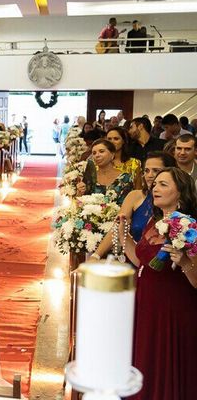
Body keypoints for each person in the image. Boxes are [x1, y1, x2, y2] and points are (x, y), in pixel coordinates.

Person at [120, 167, 197, 400]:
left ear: (181, 194)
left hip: (172, 306)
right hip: (147, 300)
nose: (155, 187)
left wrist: (184, 261)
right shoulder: (154, 221)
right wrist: (122, 233)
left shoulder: (190, 227)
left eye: (164, 184)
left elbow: (195, 279)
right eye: (155, 184)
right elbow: (141, 259)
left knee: (166, 361)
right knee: (147, 356)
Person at [90, 151, 176, 259]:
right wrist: (96, 255)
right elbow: (117, 227)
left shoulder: (176, 202)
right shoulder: (135, 196)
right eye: (146, 171)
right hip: (134, 258)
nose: (149, 175)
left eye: (156, 171)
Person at [77, 139, 134, 205]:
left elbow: (128, 205)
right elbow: (80, 203)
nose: (97, 155)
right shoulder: (89, 176)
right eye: (94, 153)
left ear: (112, 154)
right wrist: (79, 193)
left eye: (101, 151)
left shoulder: (125, 178)